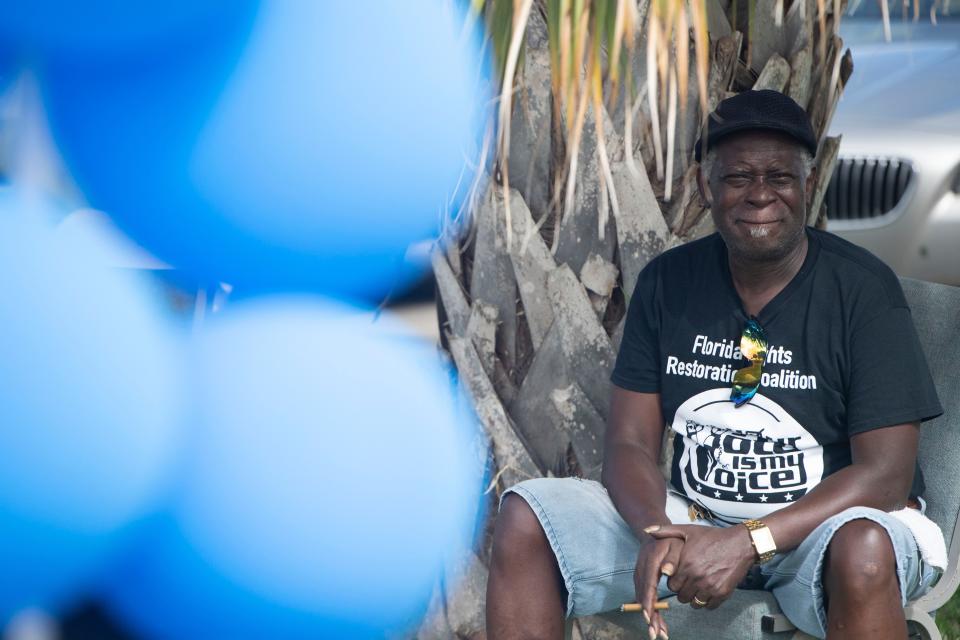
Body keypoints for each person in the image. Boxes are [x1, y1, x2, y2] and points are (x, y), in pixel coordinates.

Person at [485, 90, 945, 640]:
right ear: (706, 187)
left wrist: (749, 541)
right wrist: (656, 531)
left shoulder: (863, 292)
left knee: (864, 551)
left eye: (779, 177)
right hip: (694, 522)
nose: (759, 195)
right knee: (526, 518)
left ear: (808, 184)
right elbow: (630, 441)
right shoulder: (668, 283)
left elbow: (885, 476)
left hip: (825, 534)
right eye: (737, 178)